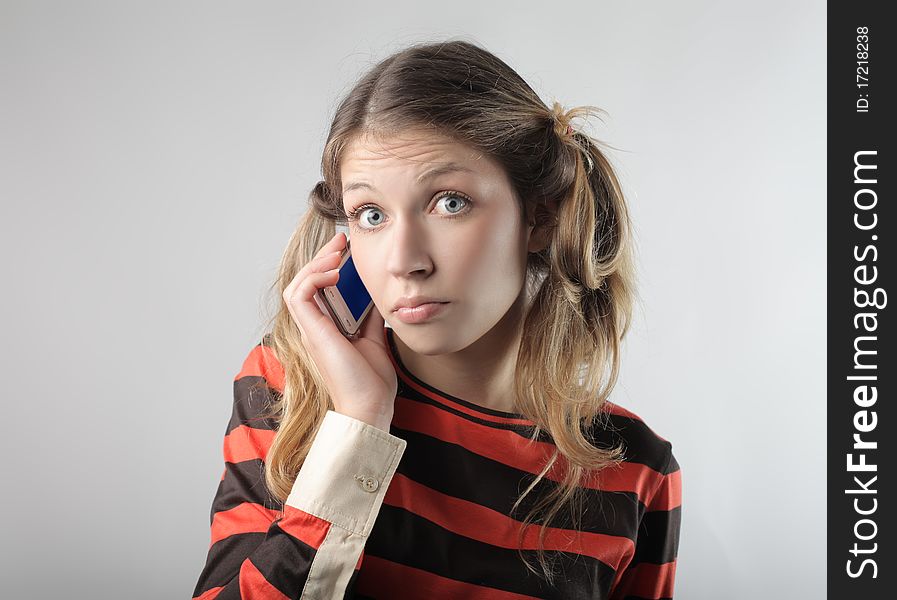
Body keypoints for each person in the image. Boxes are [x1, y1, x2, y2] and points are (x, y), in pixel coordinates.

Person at [192, 39, 681, 600]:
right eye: (370, 215)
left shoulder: (637, 470)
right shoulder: (290, 390)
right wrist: (360, 428)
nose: (404, 261)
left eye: (449, 202)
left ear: (540, 216)